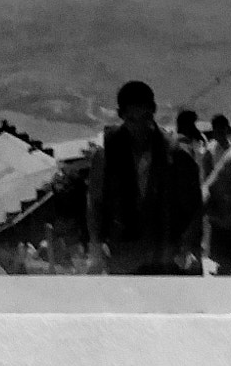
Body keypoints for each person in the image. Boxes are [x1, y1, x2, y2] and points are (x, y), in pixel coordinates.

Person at [86, 81, 202, 275]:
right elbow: (94, 202)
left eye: (145, 118)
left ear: (153, 111)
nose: (139, 126)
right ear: (121, 115)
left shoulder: (175, 152)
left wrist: (188, 246)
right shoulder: (107, 152)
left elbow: (194, 205)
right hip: (124, 254)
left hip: (165, 254)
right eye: (132, 119)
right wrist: (97, 247)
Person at [201, 116, 231, 274]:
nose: (220, 133)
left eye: (223, 129)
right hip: (218, 197)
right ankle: (223, 265)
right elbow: (208, 175)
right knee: (220, 233)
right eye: (217, 130)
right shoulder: (210, 150)